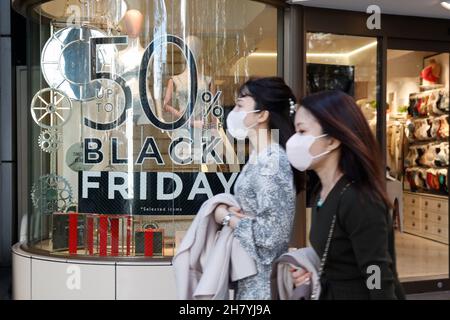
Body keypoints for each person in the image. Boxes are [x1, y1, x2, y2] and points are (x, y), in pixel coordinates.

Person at [287, 90, 405, 300]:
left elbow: (376, 273)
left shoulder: (359, 200)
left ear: (332, 141)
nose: (295, 140)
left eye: (302, 131)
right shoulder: (322, 192)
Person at [213, 77, 298, 300]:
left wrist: (226, 217)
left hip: (261, 286)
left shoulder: (272, 161)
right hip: (250, 280)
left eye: (241, 105)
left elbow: (272, 235)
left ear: (262, 115)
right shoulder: (259, 157)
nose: (234, 111)